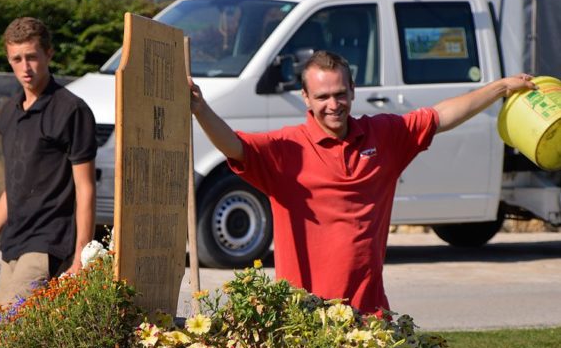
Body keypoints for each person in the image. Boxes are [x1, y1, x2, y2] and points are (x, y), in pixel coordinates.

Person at [189, 50, 536, 316]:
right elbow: (235, 146)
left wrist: (501, 87)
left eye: (340, 94)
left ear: (353, 91)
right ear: (305, 98)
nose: (333, 105)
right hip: (303, 318)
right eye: (322, 97)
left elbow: (441, 116)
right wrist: (201, 109)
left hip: (369, 318)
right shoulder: (286, 149)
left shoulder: (383, 135)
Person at [0, 17, 97, 306]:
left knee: (9, 326)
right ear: (9, 59)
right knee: (2, 329)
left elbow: (86, 188)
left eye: (32, 57)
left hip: (49, 243)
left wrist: (81, 258)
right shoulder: (10, 114)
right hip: (13, 245)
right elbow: (14, 190)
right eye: (17, 59)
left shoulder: (71, 111)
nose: (25, 67)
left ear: (48, 54)